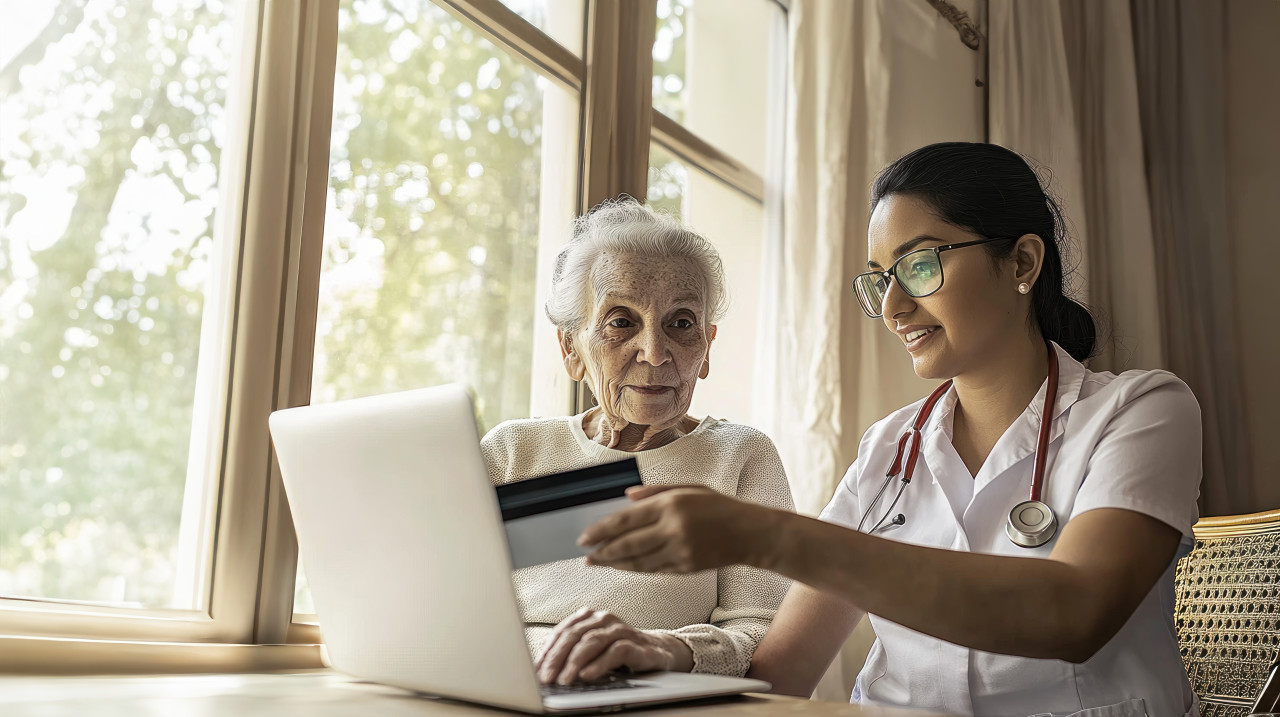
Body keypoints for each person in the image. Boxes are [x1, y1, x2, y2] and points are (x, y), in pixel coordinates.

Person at [576, 143, 1202, 716]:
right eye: (880, 280)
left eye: (920, 266)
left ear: (1023, 262)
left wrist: (766, 535)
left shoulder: (1140, 410)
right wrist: (673, 658)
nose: (893, 307)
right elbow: (780, 676)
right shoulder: (890, 450)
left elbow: (1073, 613)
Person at [480, 199, 794, 686]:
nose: (654, 351)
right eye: (621, 322)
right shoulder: (512, 453)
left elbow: (764, 630)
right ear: (572, 349)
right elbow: (454, 609)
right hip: (511, 687)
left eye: (681, 323)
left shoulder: (740, 457)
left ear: (706, 347)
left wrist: (667, 649)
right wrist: (552, 655)